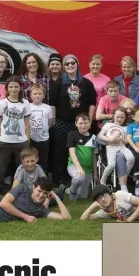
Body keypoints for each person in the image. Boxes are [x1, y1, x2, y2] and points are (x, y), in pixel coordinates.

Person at [49, 54, 97, 186]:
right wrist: (53, 121)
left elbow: (92, 103)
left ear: (77, 64)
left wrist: (90, 120)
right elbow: (52, 103)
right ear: (64, 67)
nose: (70, 65)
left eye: (72, 63)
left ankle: (79, 179)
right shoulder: (58, 83)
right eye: (67, 64)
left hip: (81, 125)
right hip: (62, 123)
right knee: (60, 152)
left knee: (80, 152)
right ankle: (58, 180)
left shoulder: (86, 83)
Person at [0, 76, 31, 193]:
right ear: (7, 88)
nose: (13, 89)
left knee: (21, 168)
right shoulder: (2, 103)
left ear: (20, 88)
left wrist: (27, 139)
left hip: (21, 142)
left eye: (16, 86)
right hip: (4, 141)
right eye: (11, 87)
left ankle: (20, 190)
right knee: (1, 169)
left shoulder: (25, 103)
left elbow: (27, 123)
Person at [99, 108, 134, 190]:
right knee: (111, 165)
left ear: (125, 118)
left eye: (122, 117)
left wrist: (122, 140)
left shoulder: (125, 128)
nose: (119, 119)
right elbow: (100, 136)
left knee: (131, 158)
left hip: (121, 146)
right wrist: (109, 139)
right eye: (117, 117)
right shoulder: (108, 125)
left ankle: (123, 177)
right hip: (111, 147)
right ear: (113, 116)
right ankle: (102, 180)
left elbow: (126, 141)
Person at [64, 113, 95, 200]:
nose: (83, 125)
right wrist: (79, 168)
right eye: (80, 123)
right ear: (76, 124)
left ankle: (66, 189)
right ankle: (72, 193)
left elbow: (94, 157)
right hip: (74, 166)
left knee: (82, 196)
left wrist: (95, 174)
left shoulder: (93, 138)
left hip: (88, 170)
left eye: (85, 123)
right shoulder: (72, 134)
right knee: (80, 178)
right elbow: (72, 153)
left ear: (90, 124)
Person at [28, 83, 53, 173]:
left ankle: (43, 181)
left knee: (43, 161)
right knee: (31, 159)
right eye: (35, 94)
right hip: (31, 139)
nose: (37, 96)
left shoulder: (47, 108)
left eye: (39, 94)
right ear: (31, 95)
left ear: (44, 95)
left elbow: (50, 122)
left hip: (44, 139)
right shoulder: (28, 106)